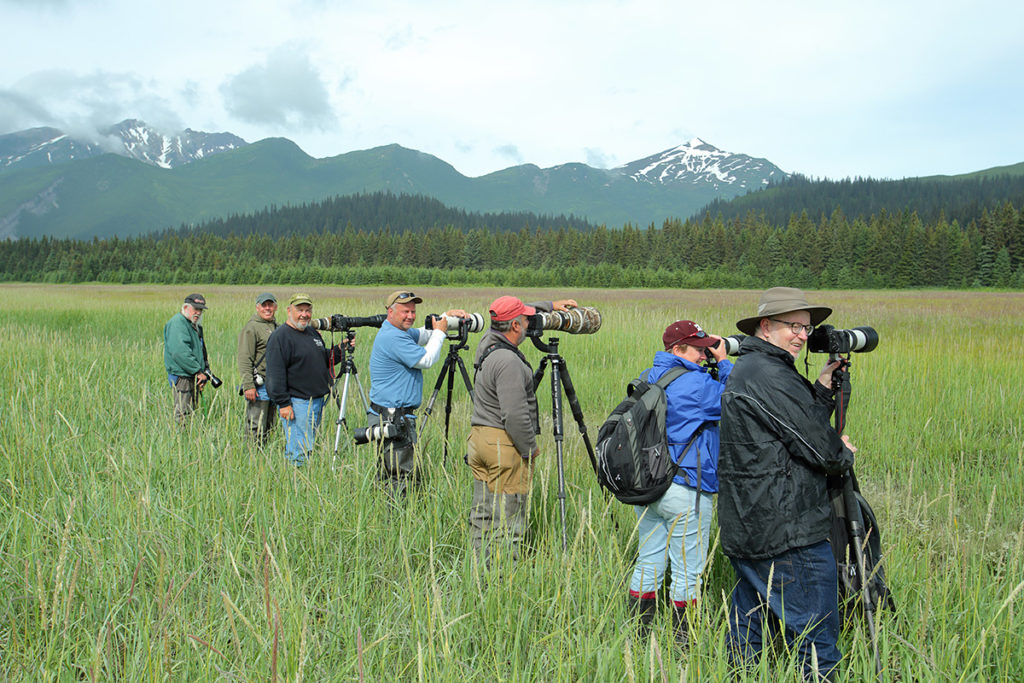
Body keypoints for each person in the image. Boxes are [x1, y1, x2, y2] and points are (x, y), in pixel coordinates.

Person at [718, 287, 857, 681]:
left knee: (748, 640)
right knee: (817, 644)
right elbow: (822, 450)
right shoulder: (768, 374)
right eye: (792, 326)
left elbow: (787, 431)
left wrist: (821, 391)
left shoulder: (756, 369)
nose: (801, 335)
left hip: (752, 526)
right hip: (787, 532)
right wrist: (842, 451)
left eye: (806, 328)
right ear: (765, 327)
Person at [627, 320, 731, 645]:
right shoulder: (698, 385)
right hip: (686, 487)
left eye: (706, 348)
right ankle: (683, 648)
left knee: (648, 559)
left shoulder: (648, 376)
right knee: (688, 571)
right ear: (677, 349)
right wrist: (725, 364)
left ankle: (637, 636)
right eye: (698, 349)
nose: (704, 355)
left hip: (648, 485)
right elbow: (737, 401)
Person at [466, 294, 577, 563]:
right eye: (526, 320)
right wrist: (530, 448)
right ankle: (506, 577)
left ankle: (480, 572)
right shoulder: (509, 362)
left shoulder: (487, 343)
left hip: (479, 439)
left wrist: (549, 307)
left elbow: (507, 311)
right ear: (515, 326)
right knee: (510, 519)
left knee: (483, 515)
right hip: (502, 444)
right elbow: (514, 415)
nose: (530, 323)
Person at [368, 290, 466, 496]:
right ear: (390, 312)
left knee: (392, 472)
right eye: (405, 311)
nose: (410, 316)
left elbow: (424, 334)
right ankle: (397, 521)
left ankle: (392, 517)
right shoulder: (393, 337)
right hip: (393, 416)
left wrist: (445, 318)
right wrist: (441, 332)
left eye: (413, 311)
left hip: (391, 414)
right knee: (399, 476)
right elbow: (426, 360)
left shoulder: (399, 332)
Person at [265, 293, 342, 467]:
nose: (304, 314)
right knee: (298, 449)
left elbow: (322, 358)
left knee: (308, 444)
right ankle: (296, 483)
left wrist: (339, 350)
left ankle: (304, 479)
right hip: (297, 402)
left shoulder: (311, 332)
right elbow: (274, 374)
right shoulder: (280, 337)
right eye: (300, 310)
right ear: (289, 310)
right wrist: (284, 403)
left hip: (316, 400)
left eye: (308, 310)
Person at [237, 292, 279, 445]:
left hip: (274, 384)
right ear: (257, 307)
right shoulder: (251, 327)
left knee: (270, 425)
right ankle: (252, 458)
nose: (267, 308)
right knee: (256, 426)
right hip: (259, 385)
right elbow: (244, 358)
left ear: (275, 307)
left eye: (270, 305)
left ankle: (264, 455)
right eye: (264, 305)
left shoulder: (276, 326)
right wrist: (248, 385)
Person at [163, 293, 210, 424]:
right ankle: (181, 440)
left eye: (200, 310)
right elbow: (180, 353)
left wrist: (205, 370)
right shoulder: (178, 324)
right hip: (182, 375)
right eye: (195, 309)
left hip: (193, 375)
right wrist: (198, 371)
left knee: (192, 411)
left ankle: (189, 439)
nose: (198, 313)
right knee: (183, 414)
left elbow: (200, 350)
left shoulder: (194, 325)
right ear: (185, 307)